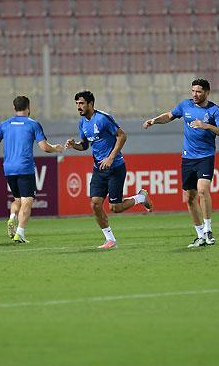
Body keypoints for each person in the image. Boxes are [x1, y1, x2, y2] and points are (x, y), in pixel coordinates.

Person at [143, 79, 219, 248]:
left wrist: (206, 126)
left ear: (207, 92)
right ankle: (200, 236)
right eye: (193, 91)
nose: (195, 94)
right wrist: (154, 120)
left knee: (203, 190)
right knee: (189, 198)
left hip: (205, 157)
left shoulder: (214, 110)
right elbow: (169, 115)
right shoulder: (185, 105)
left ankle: (208, 230)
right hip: (188, 158)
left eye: (198, 91)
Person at [64, 90, 153, 249]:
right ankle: (110, 240)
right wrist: (74, 145)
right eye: (77, 103)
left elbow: (122, 136)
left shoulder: (103, 118)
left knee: (115, 208)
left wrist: (111, 157)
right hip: (99, 169)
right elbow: (85, 145)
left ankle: (141, 197)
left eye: (81, 103)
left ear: (90, 104)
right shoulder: (82, 123)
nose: (78, 106)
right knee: (95, 204)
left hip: (115, 168)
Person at [0, 95, 63, 243]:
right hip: (24, 167)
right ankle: (20, 233)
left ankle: (12, 218)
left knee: (17, 199)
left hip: (9, 168)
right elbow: (44, 147)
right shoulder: (33, 124)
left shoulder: (5, 124)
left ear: (14, 108)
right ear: (28, 107)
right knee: (27, 201)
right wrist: (56, 148)